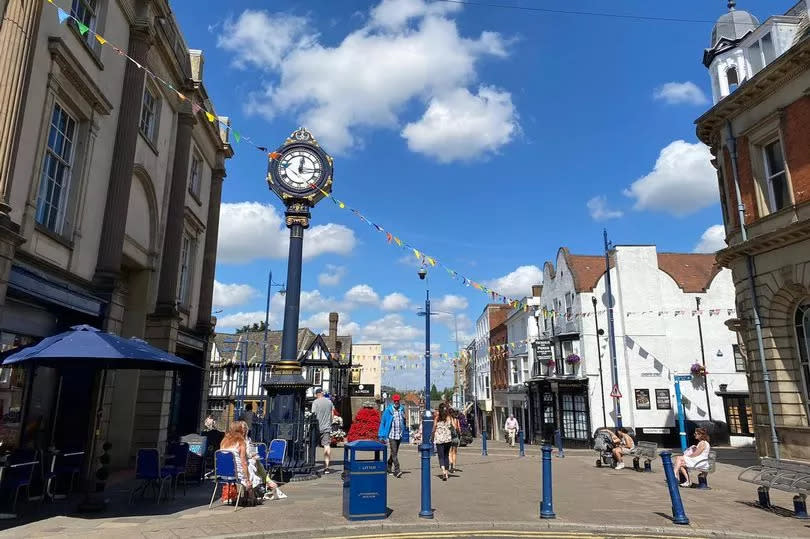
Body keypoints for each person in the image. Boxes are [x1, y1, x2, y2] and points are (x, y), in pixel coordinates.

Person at [219, 421, 256, 505]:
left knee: (249, 468)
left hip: (222, 474)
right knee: (251, 469)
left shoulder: (223, 441)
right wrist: (247, 479)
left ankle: (246, 497)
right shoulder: (240, 442)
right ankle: (250, 498)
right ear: (240, 430)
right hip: (235, 474)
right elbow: (243, 462)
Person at [378, 394, 406, 478]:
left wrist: (404, 420)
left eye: (398, 401)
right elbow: (383, 422)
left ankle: (388, 467)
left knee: (394, 453)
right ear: (393, 401)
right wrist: (381, 435)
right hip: (391, 435)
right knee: (394, 453)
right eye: (395, 401)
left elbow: (403, 421)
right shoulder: (388, 410)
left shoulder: (401, 409)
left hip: (399, 435)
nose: (396, 402)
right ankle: (397, 470)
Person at [311, 388, 334, 473]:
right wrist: (329, 423)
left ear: (317, 394)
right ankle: (327, 467)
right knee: (327, 445)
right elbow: (332, 414)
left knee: (312, 446)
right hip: (326, 427)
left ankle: (311, 464)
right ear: (322, 393)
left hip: (316, 427)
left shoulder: (315, 402)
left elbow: (313, 414)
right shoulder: (329, 402)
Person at [432, 403, 453, 481]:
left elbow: (434, 428)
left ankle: (443, 471)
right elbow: (451, 426)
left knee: (441, 457)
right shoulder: (448, 417)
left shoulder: (437, 418)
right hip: (448, 439)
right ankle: (447, 474)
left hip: (439, 440)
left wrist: (432, 436)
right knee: (446, 456)